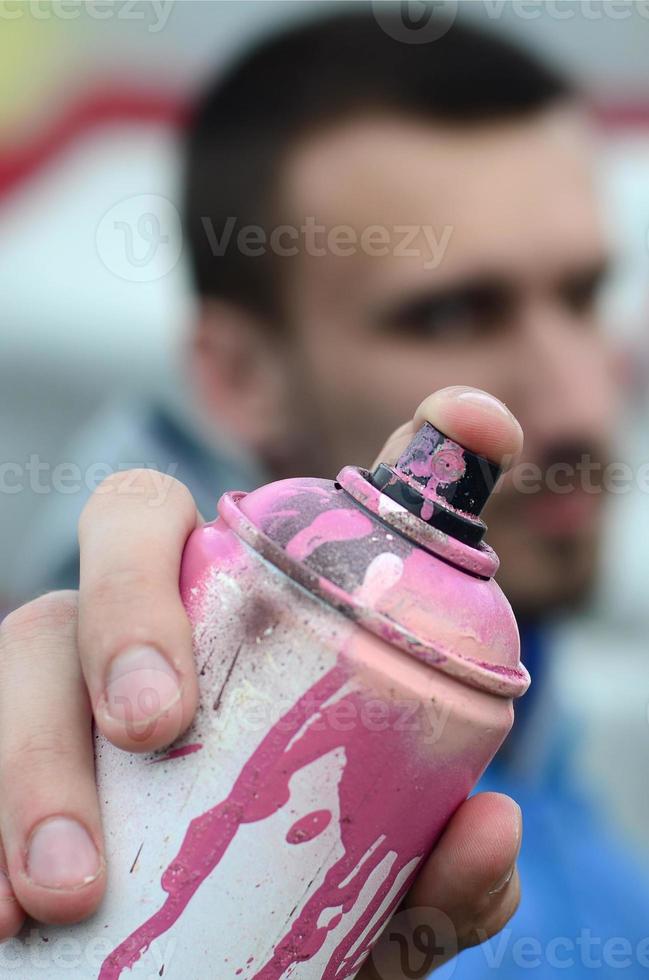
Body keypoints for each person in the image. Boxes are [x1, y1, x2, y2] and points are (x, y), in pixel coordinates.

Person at [2, 10, 648, 977]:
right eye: (450, 313)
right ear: (236, 375)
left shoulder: (568, 799)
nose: (570, 407)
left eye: (583, 295)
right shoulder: (99, 780)